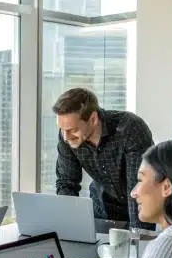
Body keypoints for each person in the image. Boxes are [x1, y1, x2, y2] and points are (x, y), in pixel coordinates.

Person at [53, 87, 154, 229]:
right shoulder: (67, 136)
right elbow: (66, 183)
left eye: (73, 130)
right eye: (62, 129)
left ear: (93, 119)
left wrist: (138, 240)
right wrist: (69, 228)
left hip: (138, 208)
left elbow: (138, 188)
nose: (66, 137)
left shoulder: (130, 129)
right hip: (102, 207)